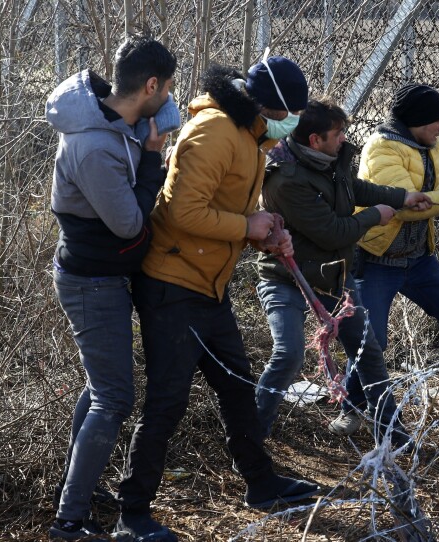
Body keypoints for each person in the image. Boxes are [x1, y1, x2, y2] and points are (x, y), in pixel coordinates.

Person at [114, 58, 319, 541]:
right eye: (291, 112)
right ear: (269, 106)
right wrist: (247, 226)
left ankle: (261, 484)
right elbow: (182, 210)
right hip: (172, 282)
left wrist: (263, 232)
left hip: (207, 283)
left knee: (236, 386)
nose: (293, 123)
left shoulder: (250, 137)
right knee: (167, 401)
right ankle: (132, 513)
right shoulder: (214, 132)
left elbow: (223, 210)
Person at [45, 35, 177, 540]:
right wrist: (151, 159)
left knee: (101, 387)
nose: (169, 99)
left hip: (102, 277)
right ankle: (69, 521)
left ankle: (73, 489)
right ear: (150, 86)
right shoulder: (94, 144)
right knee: (114, 397)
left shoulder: (113, 124)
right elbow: (127, 223)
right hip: (91, 282)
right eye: (166, 89)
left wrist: (147, 148)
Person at [255, 98, 431, 444]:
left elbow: (354, 189)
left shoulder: (330, 161)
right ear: (314, 140)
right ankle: (251, 435)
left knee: (368, 354)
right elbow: (333, 231)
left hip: (333, 276)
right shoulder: (286, 179)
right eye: (337, 134)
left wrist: (401, 197)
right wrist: (374, 216)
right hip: (287, 278)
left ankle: (393, 436)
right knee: (289, 354)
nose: (344, 139)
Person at [334, 83, 439, 441]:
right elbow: (407, 208)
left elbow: (438, 185)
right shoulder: (381, 150)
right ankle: (352, 409)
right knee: (370, 340)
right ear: (415, 121)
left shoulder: (430, 145)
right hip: (378, 260)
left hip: (419, 260)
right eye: (437, 121)